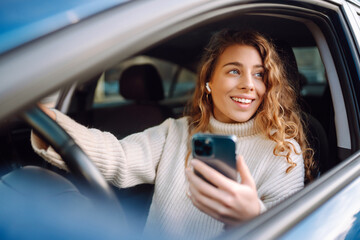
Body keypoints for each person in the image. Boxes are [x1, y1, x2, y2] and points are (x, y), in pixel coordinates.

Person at [31, 29, 313, 240]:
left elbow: (296, 232)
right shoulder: (175, 132)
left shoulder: (283, 151)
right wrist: (49, 120)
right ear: (209, 83)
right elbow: (117, 156)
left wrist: (254, 217)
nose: (248, 85)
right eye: (234, 71)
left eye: (260, 75)